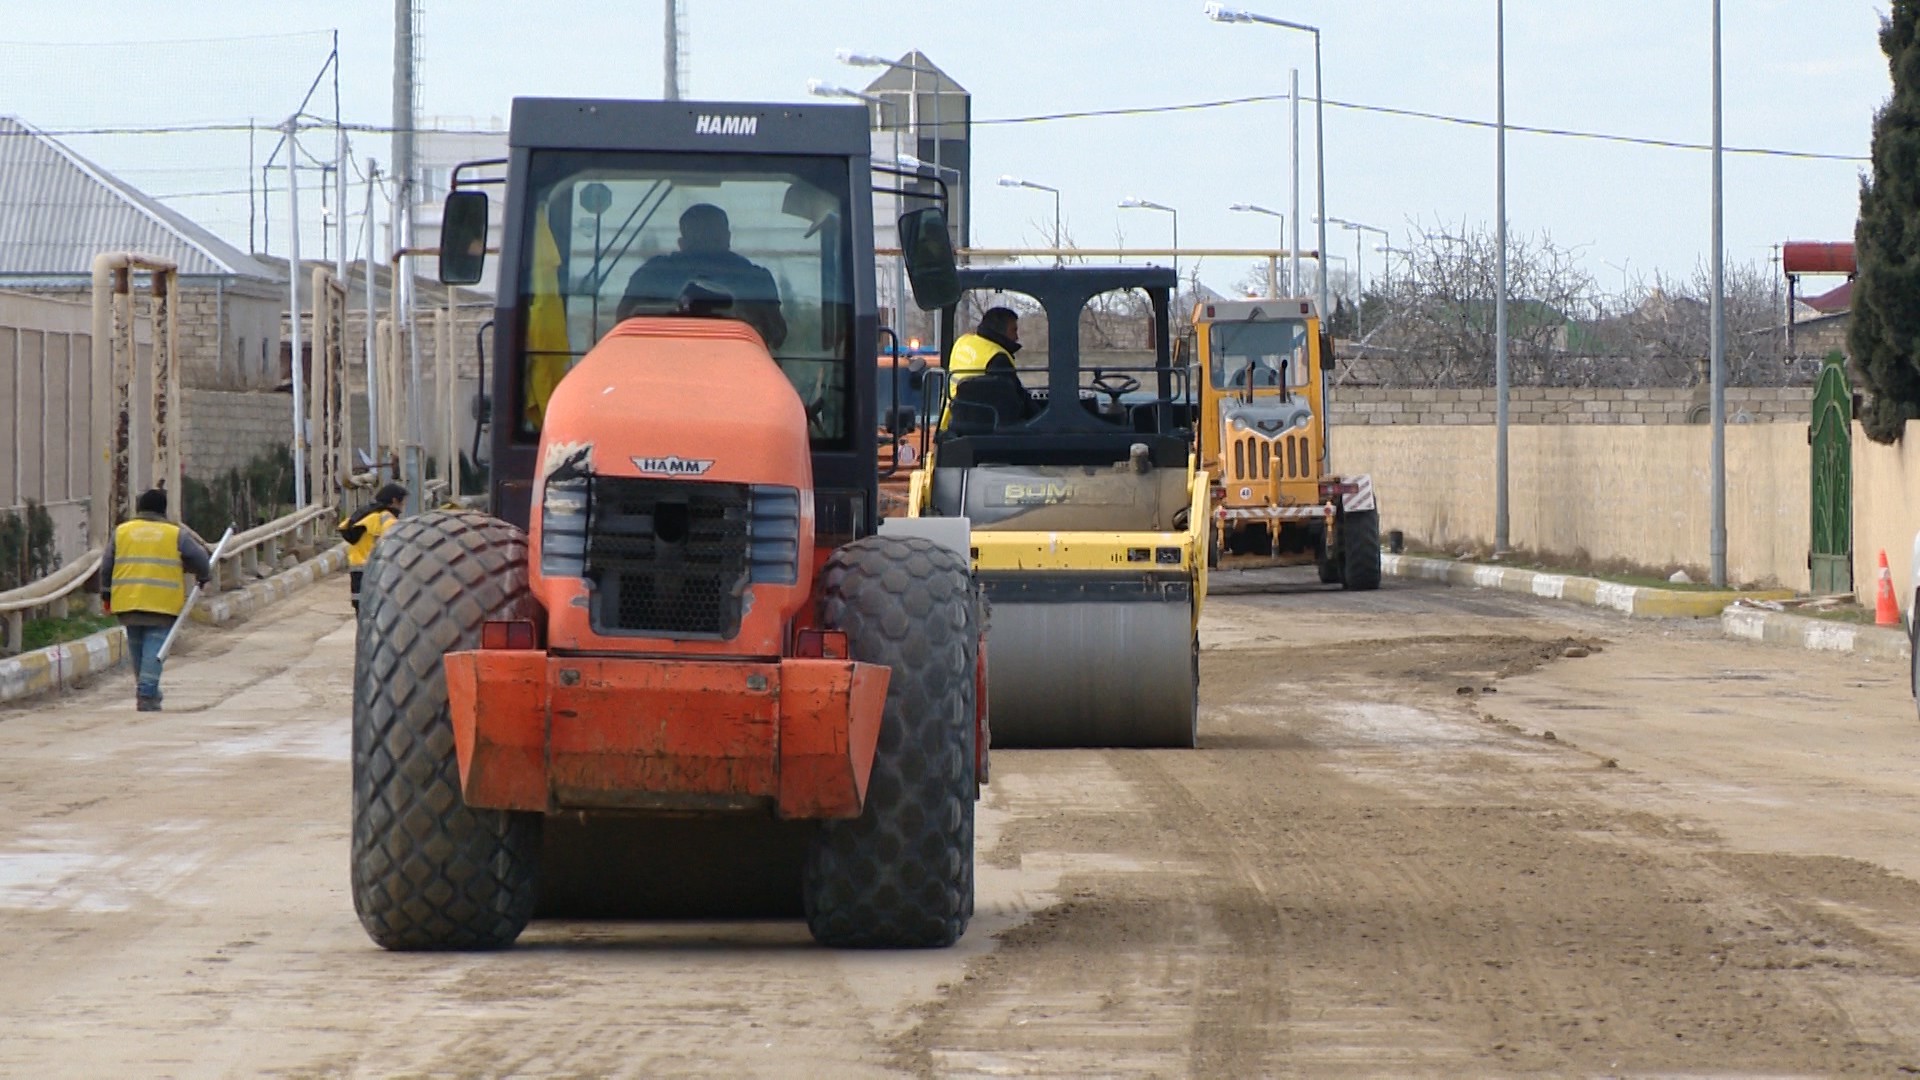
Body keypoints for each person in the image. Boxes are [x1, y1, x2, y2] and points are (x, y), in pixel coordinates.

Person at [98, 488, 211, 713]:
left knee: (138, 649)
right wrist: (203, 575)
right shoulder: (174, 533)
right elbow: (200, 558)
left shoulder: (122, 532)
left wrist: (106, 594)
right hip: (162, 603)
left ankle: (146, 689)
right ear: (163, 510)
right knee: (154, 650)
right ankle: (147, 693)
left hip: (128, 601)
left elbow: (107, 566)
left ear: (139, 508)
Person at [616, 203, 787, 349]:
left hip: (653, 374)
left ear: (682, 243)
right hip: (747, 376)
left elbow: (622, 328)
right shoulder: (755, 279)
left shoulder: (651, 276)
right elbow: (776, 337)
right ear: (727, 238)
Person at [941, 306, 1034, 430]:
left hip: (949, 421)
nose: (1016, 337)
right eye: (1014, 330)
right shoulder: (997, 357)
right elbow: (1016, 400)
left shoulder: (962, 342)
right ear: (1000, 331)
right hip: (983, 427)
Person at [340, 483, 407, 611]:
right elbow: (396, 545)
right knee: (379, 613)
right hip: (376, 571)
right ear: (394, 501)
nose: (402, 508)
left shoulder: (363, 514)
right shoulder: (387, 519)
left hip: (356, 570)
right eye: (402, 503)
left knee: (361, 611)